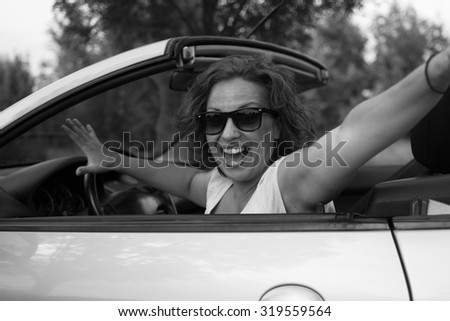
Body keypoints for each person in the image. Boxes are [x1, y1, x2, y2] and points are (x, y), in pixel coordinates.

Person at [62, 49, 450, 214]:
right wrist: (110, 159)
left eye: (247, 117)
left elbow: (357, 128)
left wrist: (437, 72)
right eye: (215, 120)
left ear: (276, 125)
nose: (228, 134)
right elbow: (179, 178)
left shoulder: (288, 183)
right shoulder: (218, 185)